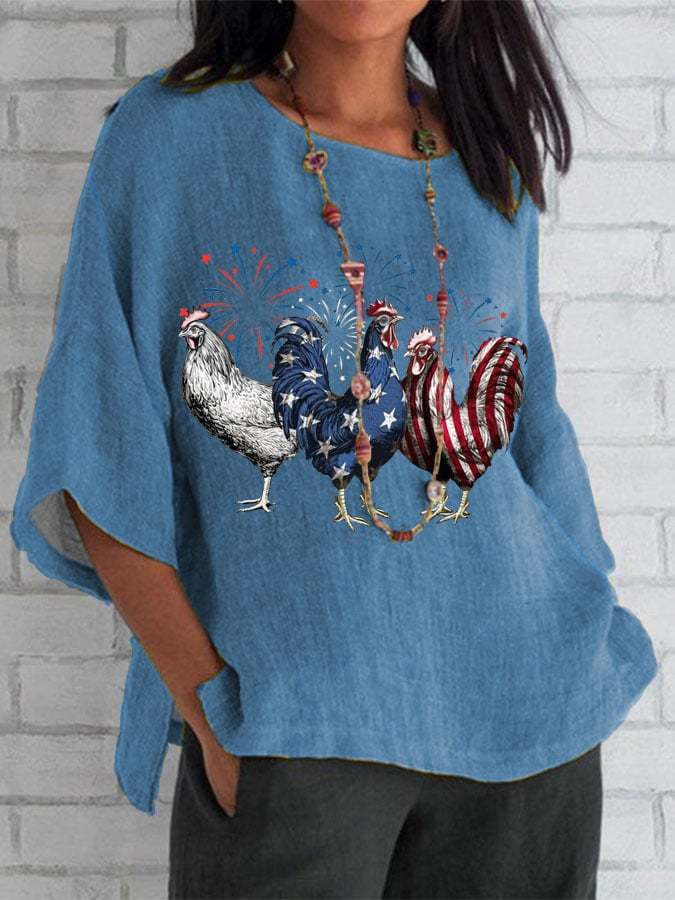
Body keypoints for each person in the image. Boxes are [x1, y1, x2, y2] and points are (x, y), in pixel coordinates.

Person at [9, 0, 659, 897]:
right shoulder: (170, 139)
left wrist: (586, 611)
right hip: (295, 734)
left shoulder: (486, 154)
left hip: (530, 719)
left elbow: (531, 421)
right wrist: (211, 713)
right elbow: (94, 453)